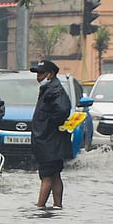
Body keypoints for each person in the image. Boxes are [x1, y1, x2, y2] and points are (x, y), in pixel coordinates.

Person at [29, 60, 71, 209]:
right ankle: (57, 206)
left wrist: (48, 127)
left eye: (41, 73)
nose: (38, 77)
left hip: (50, 141)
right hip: (48, 140)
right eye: (37, 73)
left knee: (46, 175)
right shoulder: (48, 89)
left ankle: (40, 208)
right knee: (54, 174)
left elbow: (62, 111)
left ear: (51, 74)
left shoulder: (55, 90)